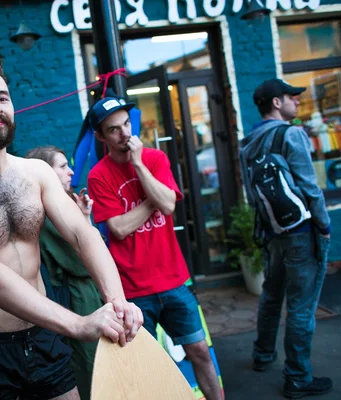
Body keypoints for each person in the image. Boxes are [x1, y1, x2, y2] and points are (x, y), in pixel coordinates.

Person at [0, 55, 143, 400]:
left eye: (2, 98)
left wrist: (117, 301)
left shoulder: (36, 172)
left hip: (42, 336)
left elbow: (83, 234)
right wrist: (78, 324)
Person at [87, 97, 223, 400]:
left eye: (126, 125)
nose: (124, 134)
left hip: (174, 281)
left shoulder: (154, 158)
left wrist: (138, 166)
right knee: (147, 366)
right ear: (100, 136)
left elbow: (170, 205)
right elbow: (119, 229)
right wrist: (155, 199)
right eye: (113, 130)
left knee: (199, 351)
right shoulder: (98, 176)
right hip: (133, 290)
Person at [238, 78, 332, 399]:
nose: (297, 101)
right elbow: (309, 187)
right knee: (301, 306)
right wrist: (324, 224)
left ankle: (263, 355)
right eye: (292, 96)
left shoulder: (247, 142)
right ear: (276, 103)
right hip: (300, 232)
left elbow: (252, 197)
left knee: (272, 295)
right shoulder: (291, 134)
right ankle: (297, 377)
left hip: (271, 232)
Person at [25, 145, 104, 400]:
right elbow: (83, 263)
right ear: (45, 172)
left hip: (77, 294)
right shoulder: (49, 213)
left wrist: (84, 219)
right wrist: (83, 225)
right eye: (62, 167)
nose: (71, 172)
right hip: (75, 298)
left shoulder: (57, 205)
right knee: (90, 365)